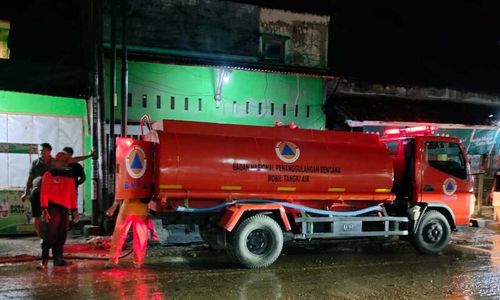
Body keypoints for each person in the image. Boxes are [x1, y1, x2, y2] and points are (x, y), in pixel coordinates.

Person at [104, 198, 149, 269]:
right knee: (141, 238)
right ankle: (138, 262)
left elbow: (120, 192)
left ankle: (112, 260)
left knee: (119, 235)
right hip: (141, 210)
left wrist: (114, 206)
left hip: (127, 208)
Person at [21, 143, 53, 236]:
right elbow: (30, 179)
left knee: (51, 215)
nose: (41, 152)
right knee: (37, 215)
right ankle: (41, 237)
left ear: (49, 152)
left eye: (44, 150)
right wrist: (25, 193)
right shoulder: (35, 163)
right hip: (37, 192)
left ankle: (51, 235)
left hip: (51, 194)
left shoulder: (54, 162)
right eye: (40, 150)